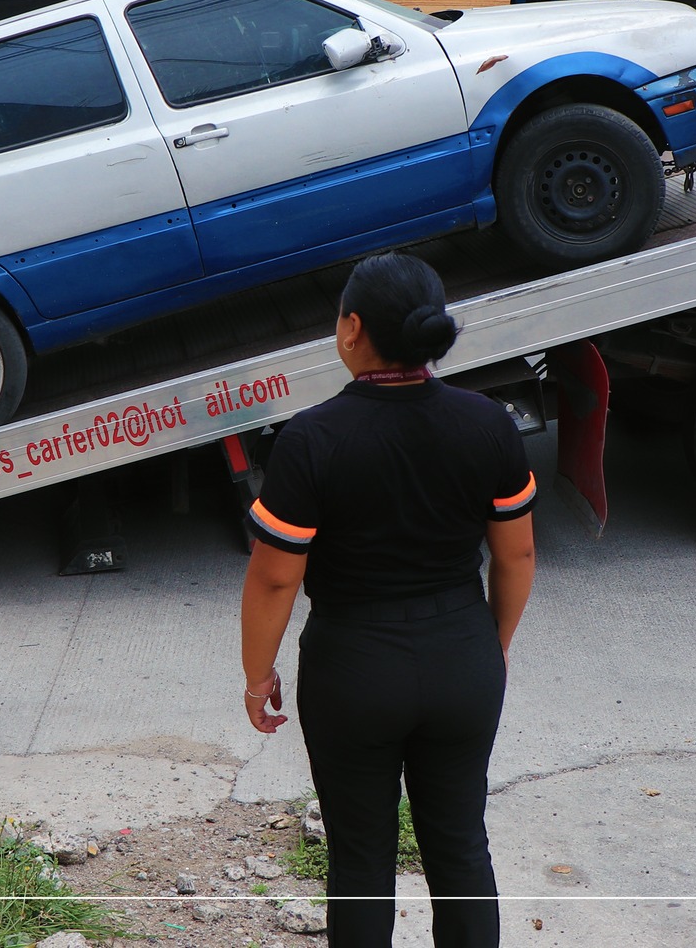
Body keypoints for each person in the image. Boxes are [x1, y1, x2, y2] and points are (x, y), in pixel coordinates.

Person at [241, 252, 538, 948]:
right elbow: (516, 554)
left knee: (361, 863)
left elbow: (275, 578)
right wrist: (486, 646)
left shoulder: (310, 439)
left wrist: (259, 674)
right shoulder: (488, 423)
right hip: (462, 653)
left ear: (352, 328)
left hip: (353, 668)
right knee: (461, 846)